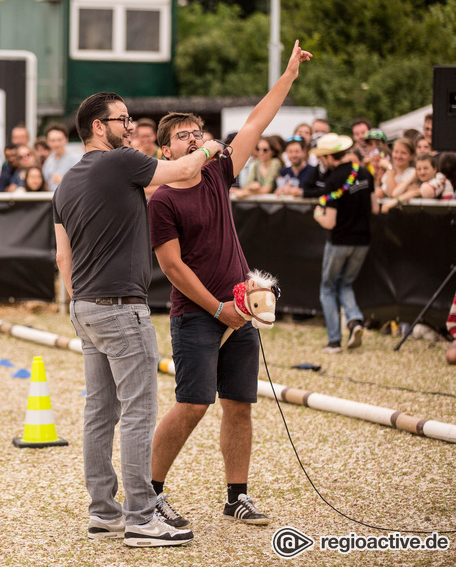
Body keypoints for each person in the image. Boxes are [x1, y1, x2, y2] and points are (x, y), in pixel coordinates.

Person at [147, 40, 311, 530]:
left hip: (240, 309)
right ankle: (149, 492)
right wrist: (219, 310)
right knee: (193, 403)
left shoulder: (220, 172)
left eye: (198, 132)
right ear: (165, 150)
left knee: (240, 406)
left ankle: (236, 496)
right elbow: (173, 269)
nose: (194, 139)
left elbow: (259, 120)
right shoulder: (161, 201)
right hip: (198, 314)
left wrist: (288, 77)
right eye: (182, 136)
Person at [53, 90, 224, 547]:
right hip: (121, 308)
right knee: (137, 414)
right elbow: (186, 169)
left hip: (86, 307)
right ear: (97, 126)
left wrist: (83, 301)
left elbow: (62, 257)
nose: (130, 127)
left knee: (99, 414)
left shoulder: (65, 181)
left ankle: (104, 513)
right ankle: (142, 519)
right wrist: (211, 146)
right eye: (122, 119)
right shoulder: (119, 161)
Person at [311, 133, 378, 352]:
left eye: (323, 158)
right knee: (345, 283)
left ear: (330, 157)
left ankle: (334, 342)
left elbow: (330, 222)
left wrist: (317, 216)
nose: (322, 161)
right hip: (363, 241)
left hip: (340, 241)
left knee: (328, 287)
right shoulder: (365, 172)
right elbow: (375, 208)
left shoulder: (333, 180)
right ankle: (355, 320)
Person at [41, 123, 81, 191]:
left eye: (59, 140)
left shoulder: (76, 159)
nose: (56, 144)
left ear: (66, 139)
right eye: (52, 140)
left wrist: (64, 181)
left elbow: (81, 183)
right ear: (48, 142)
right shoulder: (48, 161)